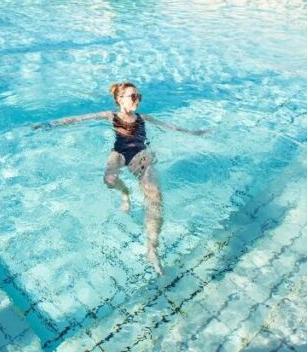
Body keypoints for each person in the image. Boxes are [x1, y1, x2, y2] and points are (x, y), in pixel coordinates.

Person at [33, 82, 205, 275]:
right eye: (133, 96)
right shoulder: (111, 115)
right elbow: (78, 119)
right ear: (119, 99)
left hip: (139, 153)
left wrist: (194, 133)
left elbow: (171, 127)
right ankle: (125, 193)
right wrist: (50, 124)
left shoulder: (143, 118)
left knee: (154, 195)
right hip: (119, 153)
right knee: (109, 180)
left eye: (139, 96)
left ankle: (152, 248)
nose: (137, 100)